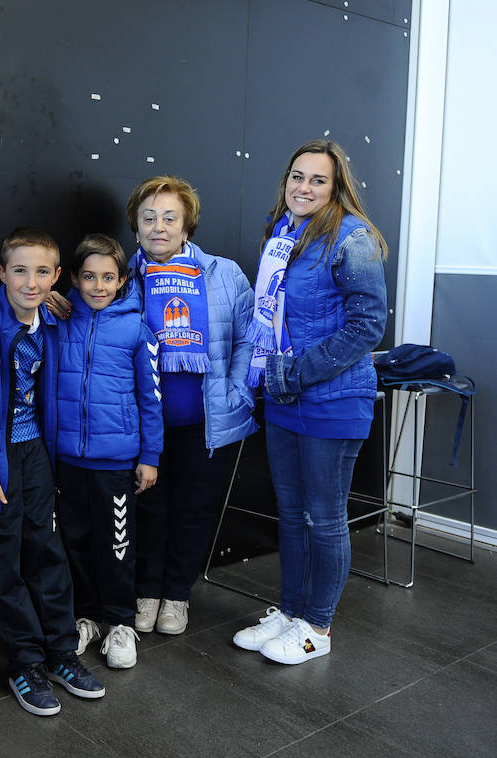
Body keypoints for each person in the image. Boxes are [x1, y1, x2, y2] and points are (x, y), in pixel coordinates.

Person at [232, 139, 387, 664]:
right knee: (292, 514)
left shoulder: (353, 237)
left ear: (336, 186)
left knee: (324, 517)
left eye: (318, 180)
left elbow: (368, 325)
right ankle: (291, 612)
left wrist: (296, 372)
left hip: (332, 399)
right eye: (298, 176)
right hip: (284, 396)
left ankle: (316, 627)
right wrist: (276, 377)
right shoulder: (285, 233)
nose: (305, 187)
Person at [0, 227, 105, 716]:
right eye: (19, 271)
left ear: (57, 277)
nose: (31, 282)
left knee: (47, 551)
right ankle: (25, 660)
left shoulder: (54, 319)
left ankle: (61, 651)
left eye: (42, 272)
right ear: (0, 273)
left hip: (35, 453)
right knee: (3, 562)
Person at [121, 176, 256, 636]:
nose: (159, 227)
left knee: (195, 509)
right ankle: (147, 592)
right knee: (149, 510)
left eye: (169, 217)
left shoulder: (224, 273)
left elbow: (249, 339)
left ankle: (177, 595)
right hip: (147, 423)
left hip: (207, 420)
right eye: (148, 217)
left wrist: (237, 391)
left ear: (186, 225)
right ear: (136, 227)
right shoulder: (123, 278)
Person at [54, 234, 164, 669]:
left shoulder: (136, 328)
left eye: (108, 278)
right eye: (88, 277)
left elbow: (150, 397)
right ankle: (86, 617)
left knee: (117, 545)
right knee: (74, 542)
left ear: (121, 280)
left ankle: (121, 622)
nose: (98, 287)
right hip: (67, 459)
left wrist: (149, 456)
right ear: (75, 279)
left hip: (116, 462)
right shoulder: (59, 317)